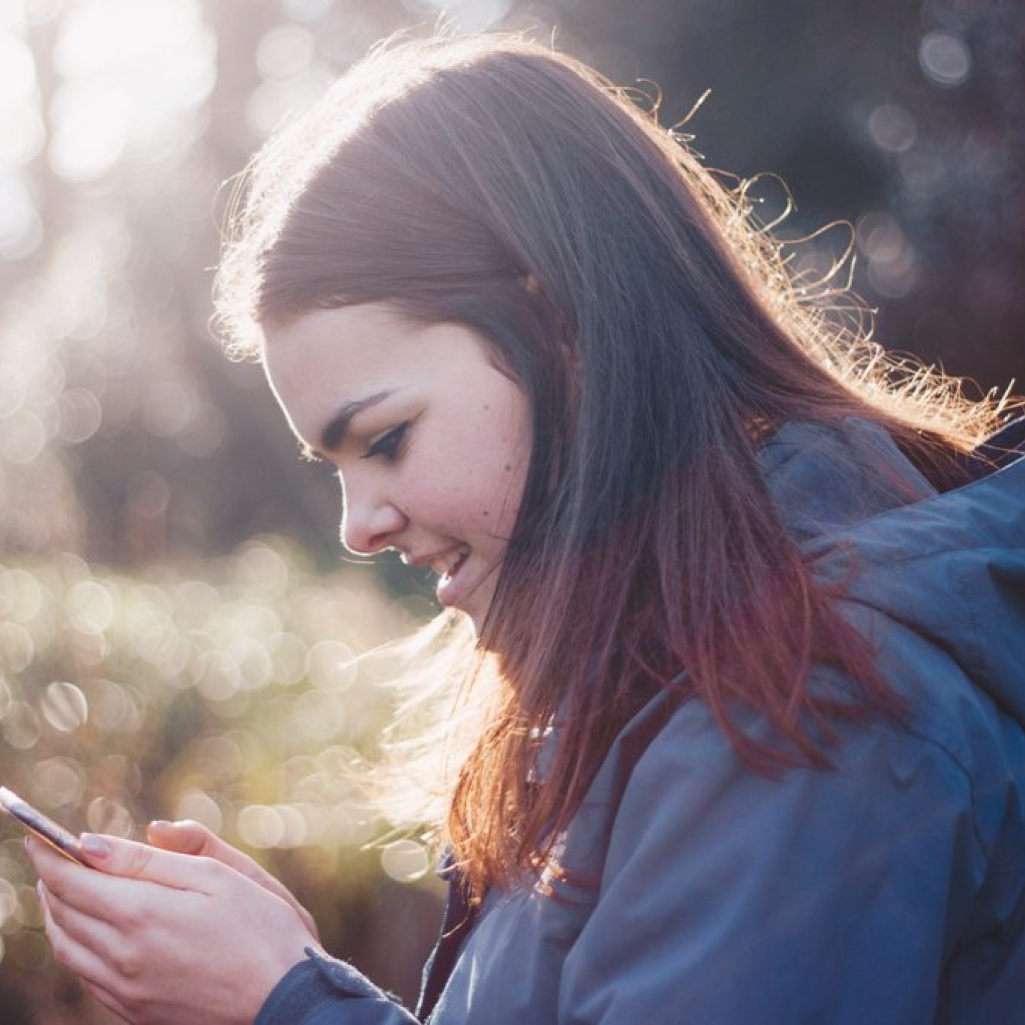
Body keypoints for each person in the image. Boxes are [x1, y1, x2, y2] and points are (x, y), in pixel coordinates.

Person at [27, 32, 1025, 1025]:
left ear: (561, 330)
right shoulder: (673, 678)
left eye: (383, 438)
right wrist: (293, 979)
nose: (357, 526)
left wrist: (280, 1002)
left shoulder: (801, 703)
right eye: (332, 466)